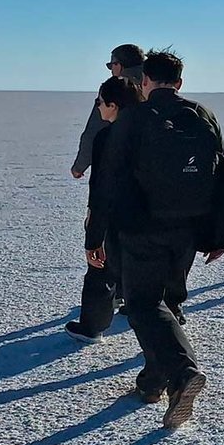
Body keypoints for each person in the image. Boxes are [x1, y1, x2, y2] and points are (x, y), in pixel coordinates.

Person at [98, 49, 224, 428]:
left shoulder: (134, 118)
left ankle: (182, 373)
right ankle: (152, 382)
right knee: (168, 301)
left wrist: (98, 236)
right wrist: (217, 233)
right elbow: (220, 174)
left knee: (143, 304)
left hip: (142, 229)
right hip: (187, 230)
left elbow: (110, 181)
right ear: (179, 82)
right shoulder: (201, 115)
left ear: (144, 82)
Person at [66, 75, 147, 343]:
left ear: (112, 105)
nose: (98, 106)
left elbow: (102, 186)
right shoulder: (155, 130)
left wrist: (93, 235)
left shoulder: (107, 137)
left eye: (99, 101)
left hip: (117, 216)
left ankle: (93, 326)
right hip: (155, 217)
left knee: (100, 269)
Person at [71, 44, 143, 179]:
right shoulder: (152, 85)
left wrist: (79, 167)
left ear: (119, 65)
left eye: (111, 65)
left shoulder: (113, 88)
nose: (111, 69)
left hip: (120, 167)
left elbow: (94, 130)